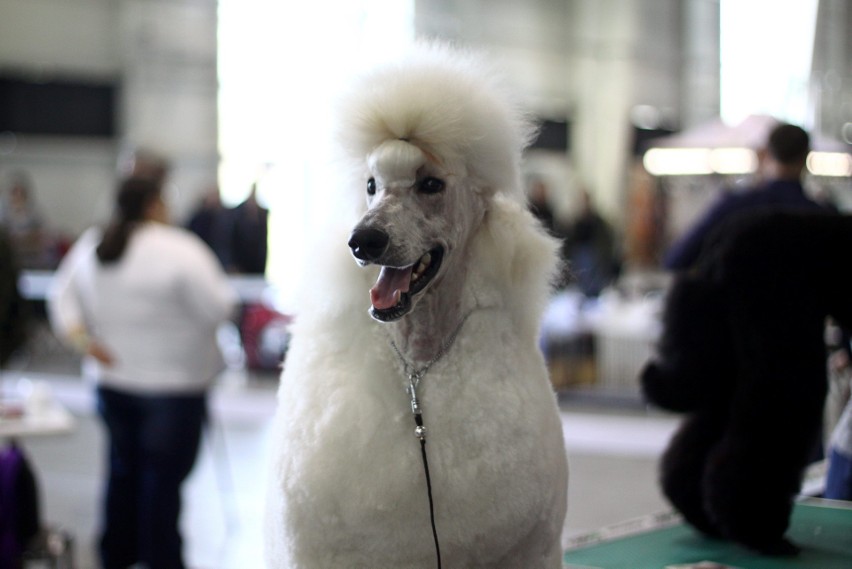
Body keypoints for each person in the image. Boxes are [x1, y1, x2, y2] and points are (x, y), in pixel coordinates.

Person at [47, 177, 238, 569]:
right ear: (155, 203)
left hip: (112, 385)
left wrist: (87, 344)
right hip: (174, 388)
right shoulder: (181, 249)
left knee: (122, 473)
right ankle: (161, 560)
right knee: (162, 485)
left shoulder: (95, 244)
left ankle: (115, 556)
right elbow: (221, 307)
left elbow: (59, 298)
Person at [663, 123, 830, 270]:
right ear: (806, 157)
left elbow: (677, 259)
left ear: (764, 154)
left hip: (736, 303)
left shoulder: (734, 207)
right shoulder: (824, 217)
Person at [561, 190, 621, 297]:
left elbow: (605, 240)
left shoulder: (598, 222)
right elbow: (569, 242)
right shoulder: (574, 223)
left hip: (594, 256)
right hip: (579, 256)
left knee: (593, 279)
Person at [226, 184, 268, 274]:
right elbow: (231, 240)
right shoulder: (237, 214)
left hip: (257, 264)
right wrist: (232, 263)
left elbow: (263, 242)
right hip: (240, 263)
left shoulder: (262, 213)